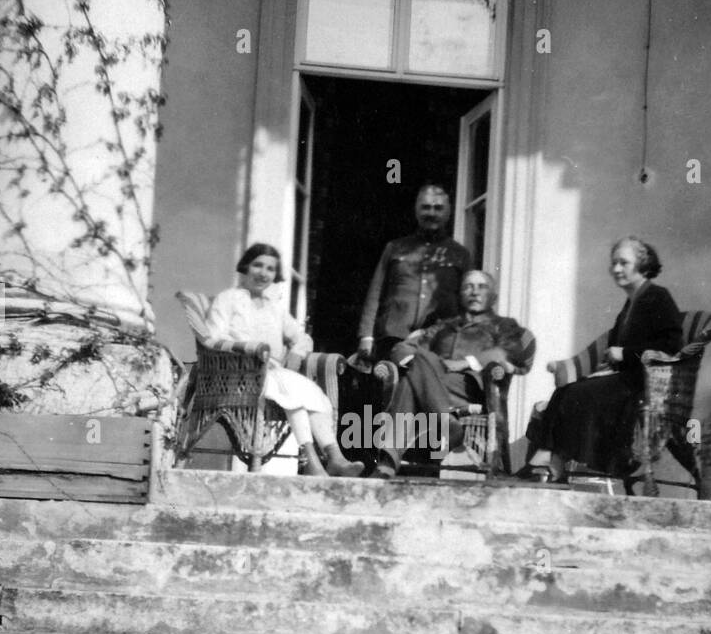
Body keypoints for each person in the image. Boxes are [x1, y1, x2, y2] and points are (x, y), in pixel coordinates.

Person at [524, 237, 683, 483]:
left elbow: (670, 346)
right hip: (623, 377)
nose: (617, 269)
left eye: (624, 263)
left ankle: (550, 458)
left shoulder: (657, 297)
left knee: (575, 393)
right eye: (614, 263)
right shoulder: (632, 301)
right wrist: (608, 364)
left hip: (645, 383)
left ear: (641, 264)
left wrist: (625, 354)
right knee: (568, 391)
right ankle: (551, 459)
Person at [208, 243, 364, 478]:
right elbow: (214, 338)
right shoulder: (228, 299)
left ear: (275, 275)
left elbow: (302, 337)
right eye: (257, 265)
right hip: (237, 374)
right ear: (245, 267)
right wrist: (248, 349)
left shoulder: (275, 308)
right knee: (292, 391)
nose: (263, 273)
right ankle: (313, 461)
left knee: (308, 392)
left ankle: (334, 458)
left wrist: (296, 352)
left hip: (271, 374)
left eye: (270, 269)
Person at [372, 270, 536, 478]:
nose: (474, 292)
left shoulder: (503, 327)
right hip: (433, 382)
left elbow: (514, 351)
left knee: (410, 377)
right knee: (419, 360)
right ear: (460, 294)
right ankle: (447, 423)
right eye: (468, 286)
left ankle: (387, 462)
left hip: (470, 388)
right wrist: (425, 365)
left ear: (493, 296)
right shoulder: (443, 327)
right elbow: (402, 348)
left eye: (481, 287)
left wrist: (465, 363)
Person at [357, 184, 473, 365]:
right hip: (393, 334)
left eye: (438, 208)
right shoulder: (395, 247)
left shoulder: (460, 254)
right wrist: (366, 336)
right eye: (425, 207)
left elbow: (467, 301)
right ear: (416, 210)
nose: (431, 213)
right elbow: (375, 293)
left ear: (448, 213)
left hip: (439, 339)